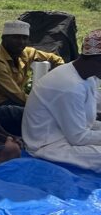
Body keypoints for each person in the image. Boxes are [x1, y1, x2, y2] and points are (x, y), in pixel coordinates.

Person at [23, 30, 101, 171]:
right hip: (48, 146)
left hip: (67, 136)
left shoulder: (87, 76)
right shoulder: (69, 87)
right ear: (97, 60)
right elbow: (78, 138)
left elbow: (86, 123)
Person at [0, 20, 65, 107]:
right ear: (4, 38)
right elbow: (16, 95)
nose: (21, 42)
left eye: (24, 38)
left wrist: (59, 77)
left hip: (12, 100)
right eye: (16, 38)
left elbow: (55, 59)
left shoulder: (24, 53)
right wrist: (43, 105)